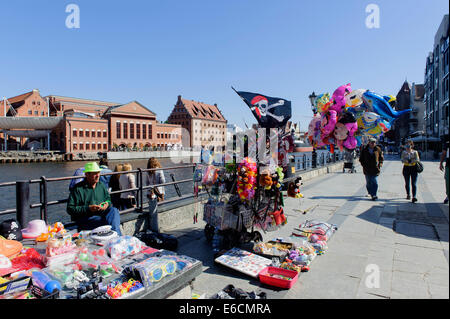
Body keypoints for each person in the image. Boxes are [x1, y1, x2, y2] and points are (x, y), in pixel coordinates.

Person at [67, 162, 122, 235]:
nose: (98, 175)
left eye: (98, 173)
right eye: (95, 173)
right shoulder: (78, 189)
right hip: (86, 219)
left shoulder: (101, 185)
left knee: (114, 210)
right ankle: (117, 236)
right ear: (87, 174)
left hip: (100, 216)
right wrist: (88, 208)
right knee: (110, 221)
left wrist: (106, 204)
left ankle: (116, 235)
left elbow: (108, 199)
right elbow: (70, 209)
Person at [439, 136, 449, 204]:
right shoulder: (447, 144)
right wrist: (441, 163)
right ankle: (448, 195)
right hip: (449, 165)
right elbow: (443, 153)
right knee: (448, 181)